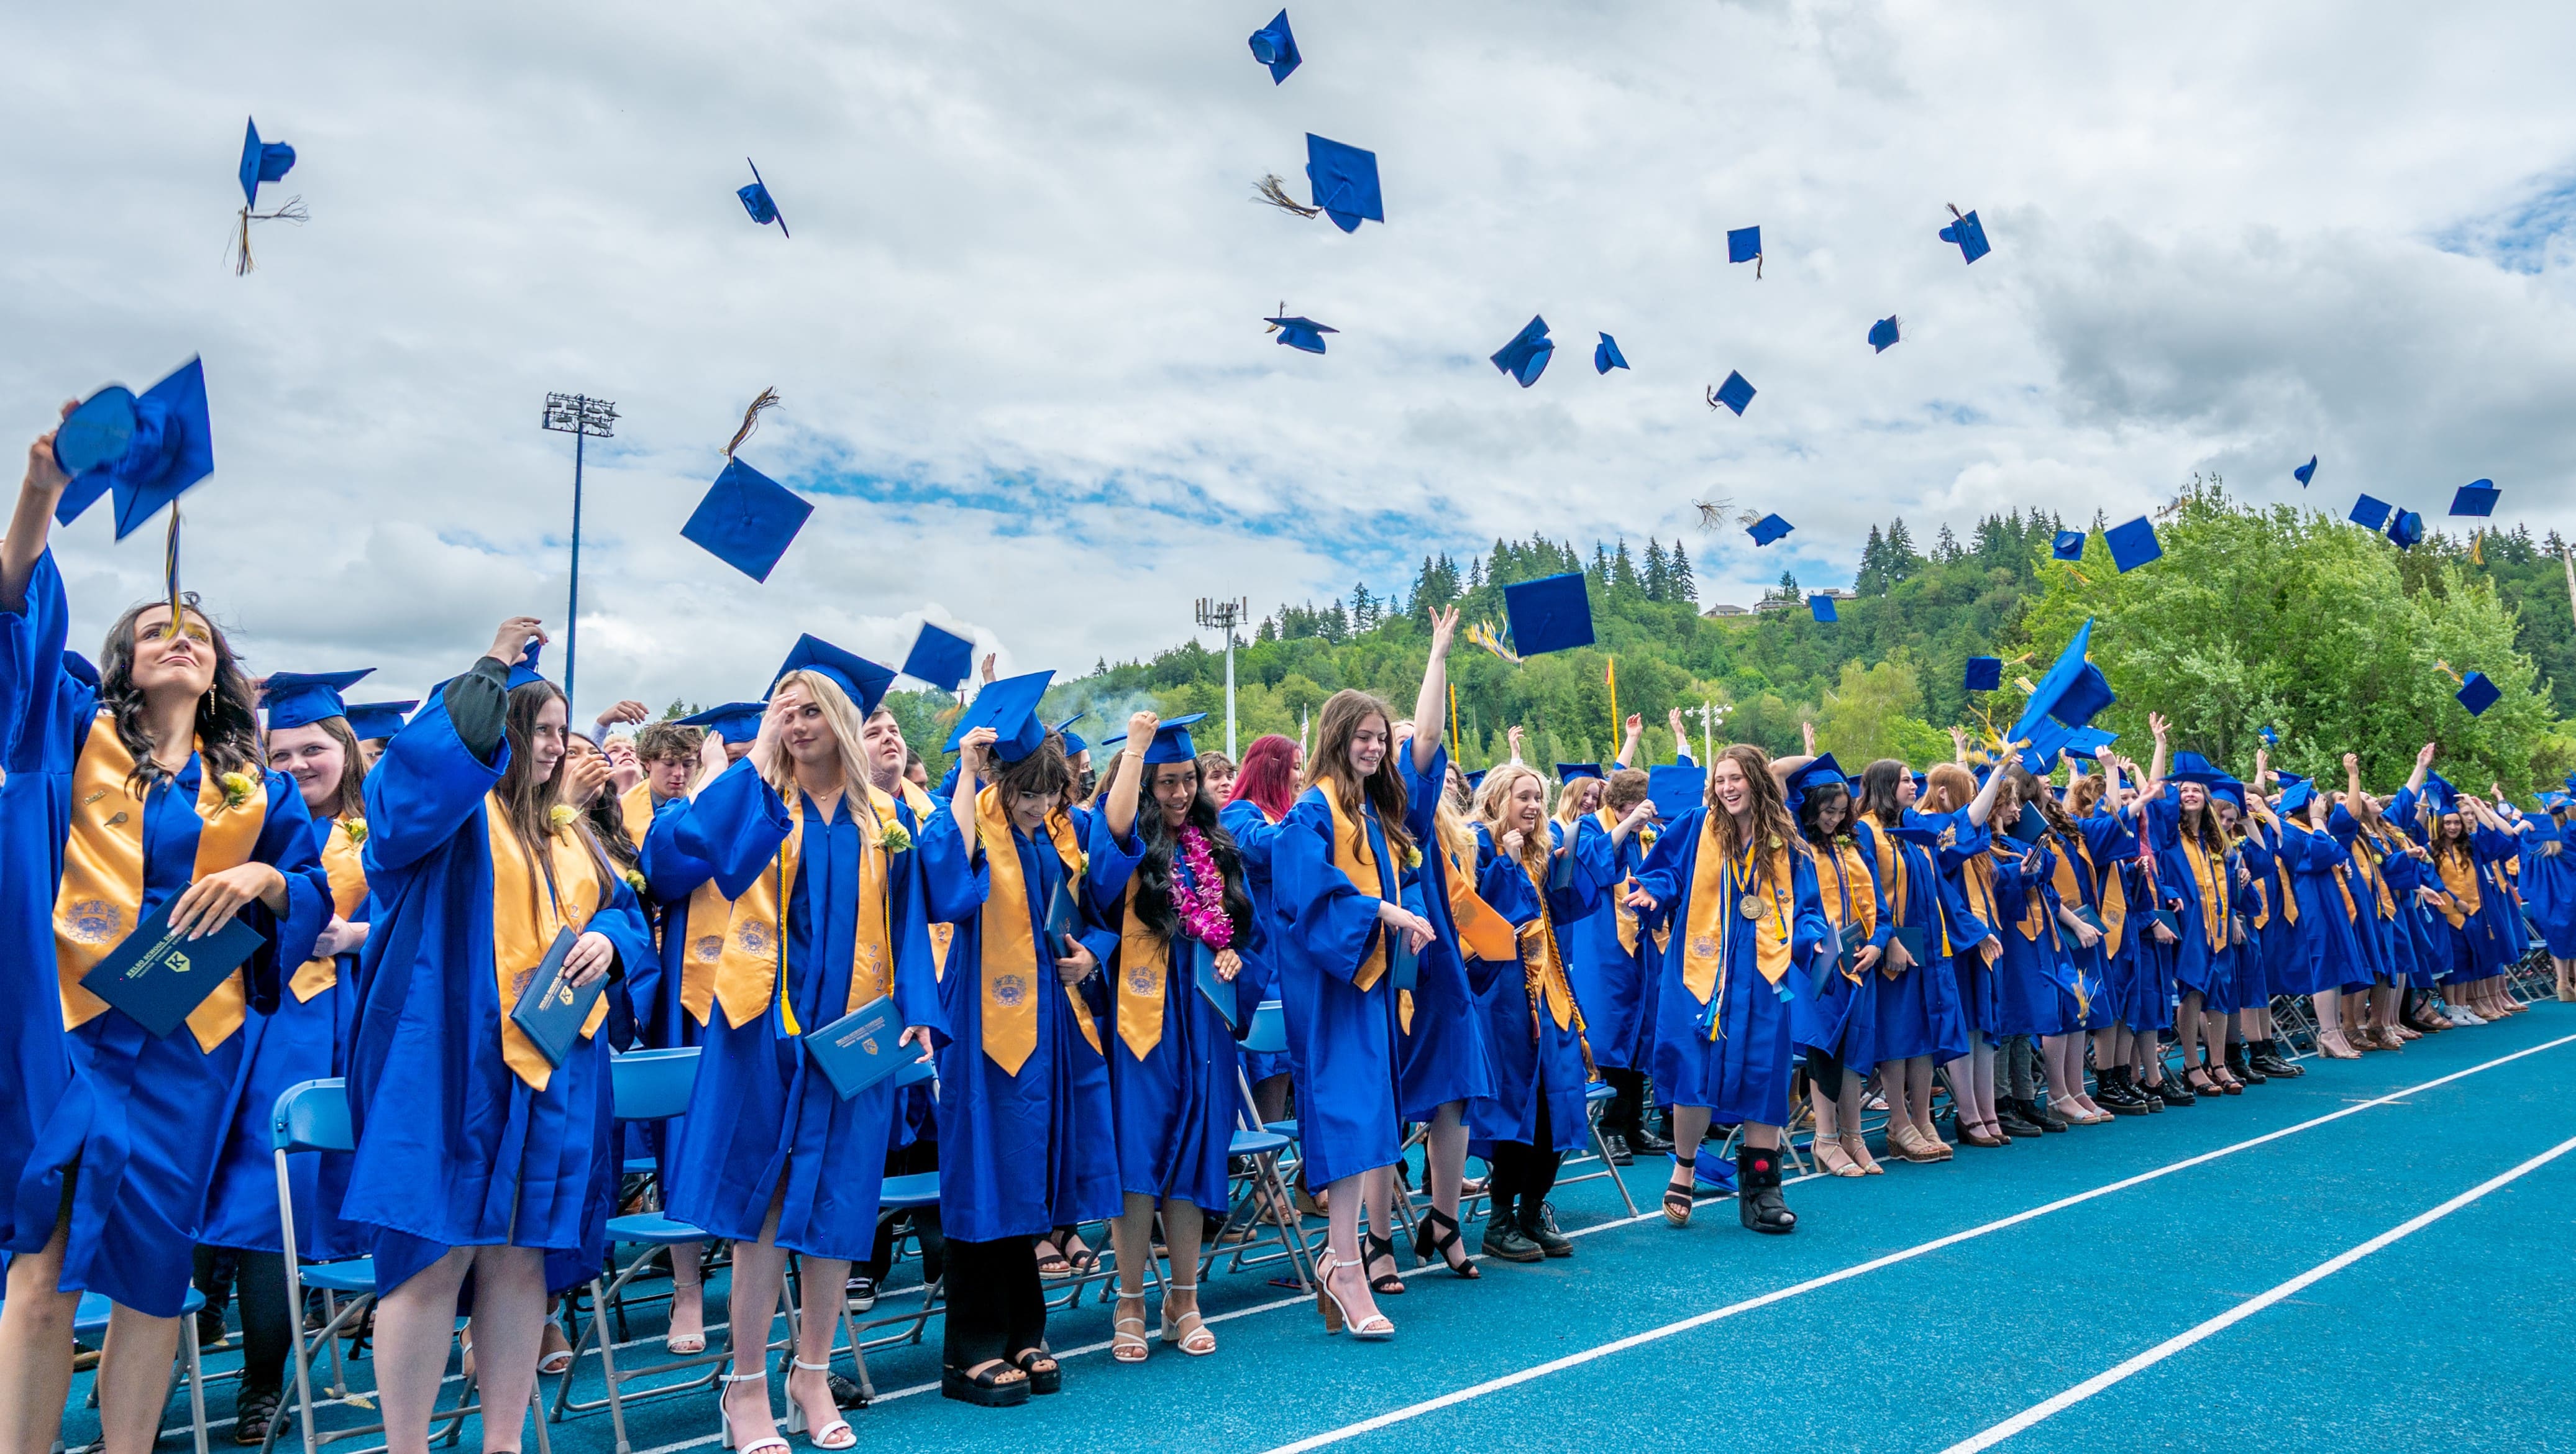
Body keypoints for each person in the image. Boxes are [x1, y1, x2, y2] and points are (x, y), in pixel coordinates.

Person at [0, 424, 331, 1454]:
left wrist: (268, 873)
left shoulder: (260, 789)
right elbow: (11, 608)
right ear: (126, 664)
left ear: (224, 671)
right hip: (73, 1028)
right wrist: (41, 490)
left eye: (194, 631)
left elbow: (314, 884)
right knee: (44, 1266)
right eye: (152, 631)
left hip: (193, 1041)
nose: (175, 638)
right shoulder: (65, 729)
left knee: (153, 1275)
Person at [339, 620, 656, 1454]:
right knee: (433, 1255)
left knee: (521, 1258)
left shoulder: (570, 831)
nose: (554, 748)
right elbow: (415, 781)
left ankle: (503, 1443)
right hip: (446, 1063)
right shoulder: (441, 823)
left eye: (560, 731)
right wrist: (487, 670)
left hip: (553, 1069)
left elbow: (629, 919)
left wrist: (612, 945)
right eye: (537, 730)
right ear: (497, 734)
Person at [652, 641, 941, 1453]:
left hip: (855, 1038)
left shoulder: (884, 819)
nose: (799, 722)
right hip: (760, 1031)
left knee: (840, 1207)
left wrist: (917, 1008)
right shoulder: (758, 801)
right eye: (787, 708)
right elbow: (692, 851)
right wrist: (756, 757)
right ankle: (744, 1389)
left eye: (813, 709)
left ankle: (809, 1375)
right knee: (763, 1212)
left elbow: (912, 918)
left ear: (843, 720)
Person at [917, 679, 1118, 1404]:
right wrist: (968, 772)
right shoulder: (975, 833)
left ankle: (1024, 1335)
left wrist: (1091, 953)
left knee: (1029, 1176)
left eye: (1048, 795)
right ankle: (969, 1351)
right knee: (984, 1174)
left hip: (1050, 1028)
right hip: (982, 1030)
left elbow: (1097, 916)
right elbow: (946, 890)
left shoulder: (1052, 843)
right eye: (1026, 793)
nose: (1038, 806)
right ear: (1001, 783)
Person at [196, 672, 378, 1445]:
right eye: (284, 751)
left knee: (286, 1206)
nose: (301, 763)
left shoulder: (385, 828)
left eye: (315, 748)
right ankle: (149, 1365)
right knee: (205, 1189)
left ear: (344, 748)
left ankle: (263, 1384)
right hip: (234, 1018)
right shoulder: (237, 817)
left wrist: (357, 937)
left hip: (329, 1024)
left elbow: (425, 922)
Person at [1089, 710, 1256, 1362]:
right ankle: (1129, 1299)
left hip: (1202, 1021)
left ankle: (1183, 1298)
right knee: (1138, 1158)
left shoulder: (1217, 848)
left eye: (1187, 780)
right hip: (1139, 1021)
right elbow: (1110, 849)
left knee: (1193, 1158)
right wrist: (1134, 753)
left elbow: (1246, 930)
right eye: (1165, 783)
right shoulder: (1124, 848)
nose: (1181, 793)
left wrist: (1236, 955)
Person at [1271, 688, 1433, 1337]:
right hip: (1335, 987)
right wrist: (1383, 913)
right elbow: (1304, 892)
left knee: (1368, 1122)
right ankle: (1344, 1265)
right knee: (1346, 1118)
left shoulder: (1368, 811)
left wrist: (1406, 912)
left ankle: (1342, 1260)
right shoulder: (1313, 812)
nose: (1373, 747)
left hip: (1367, 984)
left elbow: (1395, 874)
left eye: (1378, 738)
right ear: (1337, 737)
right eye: (1362, 736)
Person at [1628, 744, 1829, 1234]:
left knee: (1764, 1071)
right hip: (1700, 971)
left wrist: (1815, 939)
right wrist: (1654, 891)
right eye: (1721, 780)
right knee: (1694, 1069)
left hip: (1762, 976)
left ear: (1756, 781)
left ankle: (1764, 1189)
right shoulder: (1697, 826)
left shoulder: (1785, 839)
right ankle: (1684, 1168)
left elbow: (1805, 907)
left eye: (1736, 778)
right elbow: (1665, 872)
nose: (1728, 788)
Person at [1392, 608, 1507, 1278]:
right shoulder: (1394, 806)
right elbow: (1429, 730)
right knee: (1406, 1092)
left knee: (1456, 1090)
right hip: (1398, 964)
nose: (1409, 749)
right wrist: (1438, 654)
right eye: (1396, 742)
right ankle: (1376, 1237)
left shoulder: (1442, 826)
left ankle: (1443, 1219)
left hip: (1443, 967)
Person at [1464, 764, 1611, 1260]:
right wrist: (1505, 865)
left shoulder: (1539, 849)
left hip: (1551, 995)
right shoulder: (1477, 845)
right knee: (1518, 1106)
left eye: (1537, 799)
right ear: (1497, 798)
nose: (1532, 807)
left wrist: (1563, 872)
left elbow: (1566, 910)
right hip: (1505, 1001)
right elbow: (1479, 917)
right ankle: (1499, 1218)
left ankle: (1533, 1209)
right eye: (1522, 797)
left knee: (1558, 1102)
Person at [1848, 760, 1968, 1162]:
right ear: (1884, 785)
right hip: (1893, 946)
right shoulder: (1866, 829)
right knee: (1899, 1037)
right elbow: (1865, 892)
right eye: (1905, 781)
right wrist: (1890, 940)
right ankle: (1898, 1121)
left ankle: (1923, 1117)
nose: (1914, 786)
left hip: (1927, 944)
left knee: (1925, 1036)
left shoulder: (1911, 830)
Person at [1785, 756, 1889, 1176]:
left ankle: (1854, 1136)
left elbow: (1880, 908)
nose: (1835, 819)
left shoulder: (1853, 847)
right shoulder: (1796, 849)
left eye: (1842, 811)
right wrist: (1818, 945)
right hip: (1819, 965)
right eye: (1827, 811)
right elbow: (1794, 909)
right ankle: (1824, 1138)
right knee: (1825, 1048)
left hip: (1860, 964)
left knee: (1855, 1052)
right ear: (1809, 807)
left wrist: (1879, 945)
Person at [1219, 735, 1302, 1130]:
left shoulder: (1286, 814)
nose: (1301, 777)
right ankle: (1264, 1169)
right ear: (1272, 770)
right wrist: (1306, 817)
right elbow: (1258, 848)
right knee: (1267, 1062)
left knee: (1286, 1064)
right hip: (1263, 954)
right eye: (1295, 767)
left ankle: (1285, 1172)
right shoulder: (1238, 814)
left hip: (1293, 954)